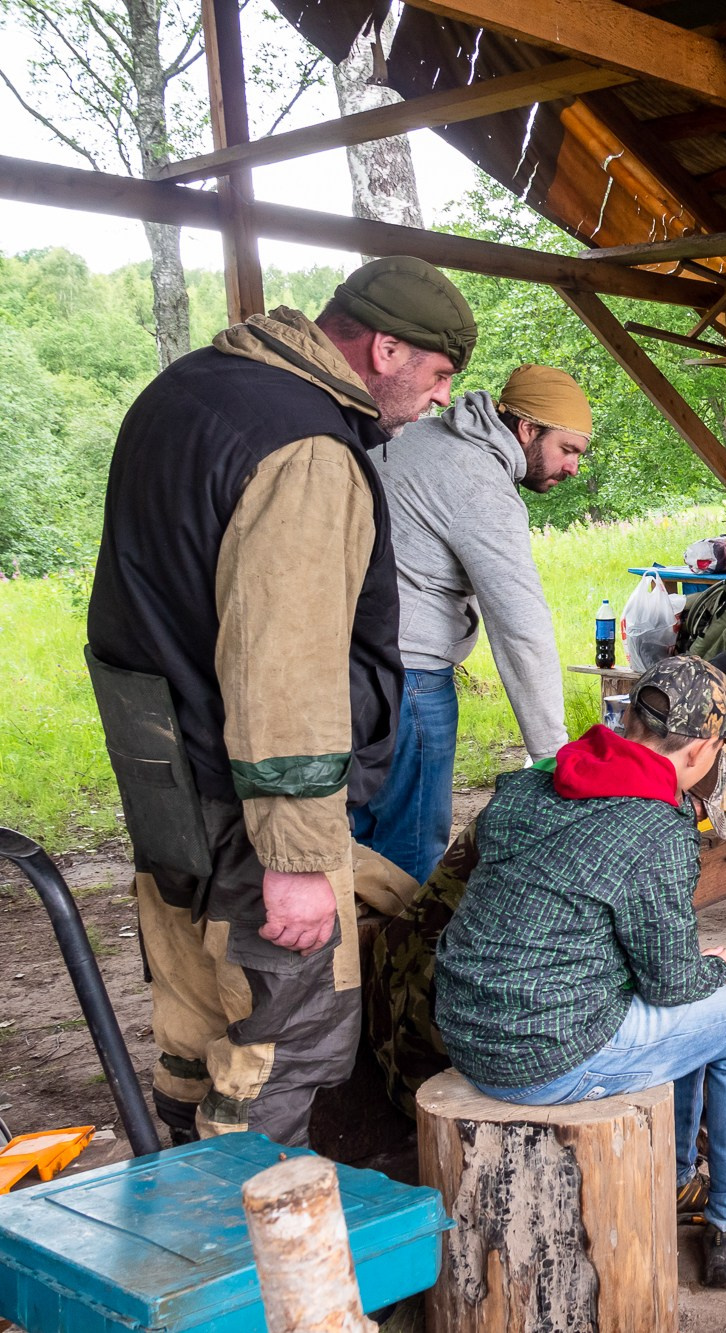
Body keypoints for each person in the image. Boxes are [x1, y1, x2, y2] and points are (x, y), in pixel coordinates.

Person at [86, 256, 477, 1145]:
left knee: (195, 1025)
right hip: (250, 810)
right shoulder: (306, 448)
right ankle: (255, 1228)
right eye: (438, 374)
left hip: (166, 778)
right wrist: (298, 859)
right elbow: (285, 664)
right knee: (282, 1044)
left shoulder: (186, 392)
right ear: (386, 349)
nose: (440, 398)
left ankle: (183, 1210)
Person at [432, 656, 726, 1290]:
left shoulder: (537, 782)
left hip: (464, 1026)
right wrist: (718, 971)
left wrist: (698, 970)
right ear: (703, 749)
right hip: (544, 1054)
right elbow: (671, 984)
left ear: (630, 720)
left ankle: (677, 1181)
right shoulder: (656, 825)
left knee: (697, 1000)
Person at [355, 364, 594, 883]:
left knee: (353, 841)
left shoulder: (416, 438)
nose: (573, 467)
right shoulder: (480, 486)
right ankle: (402, 936)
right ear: (527, 429)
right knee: (409, 852)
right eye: (567, 449)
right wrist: (552, 753)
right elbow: (520, 624)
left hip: (350, 665)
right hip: (411, 679)